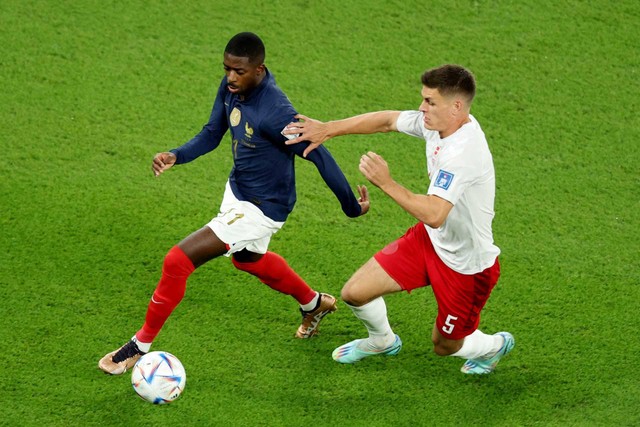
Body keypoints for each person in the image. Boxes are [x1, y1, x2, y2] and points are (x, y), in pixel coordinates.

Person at [99, 32, 369, 375]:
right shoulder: (232, 89)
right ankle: (314, 304)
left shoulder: (277, 113)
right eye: (227, 68)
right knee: (248, 259)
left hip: (263, 208)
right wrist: (176, 155)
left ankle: (139, 346)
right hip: (238, 191)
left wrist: (350, 206)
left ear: (259, 69)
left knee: (177, 260)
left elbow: (320, 155)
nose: (230, 77)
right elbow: (213, 132)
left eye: (238, 71)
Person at [283, 64, 513, 374]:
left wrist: (386, 183)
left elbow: (434, 213)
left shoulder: (464, 153)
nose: (422, 108)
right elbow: (388, 120)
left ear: (456, 106)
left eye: (430, 102)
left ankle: (494, 346)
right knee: (355, 293)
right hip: (431, 242)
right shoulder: (439, 124)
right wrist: (329, 128)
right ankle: (382, 340)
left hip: (467, 266)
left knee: (445, 346)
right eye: (423, 99)